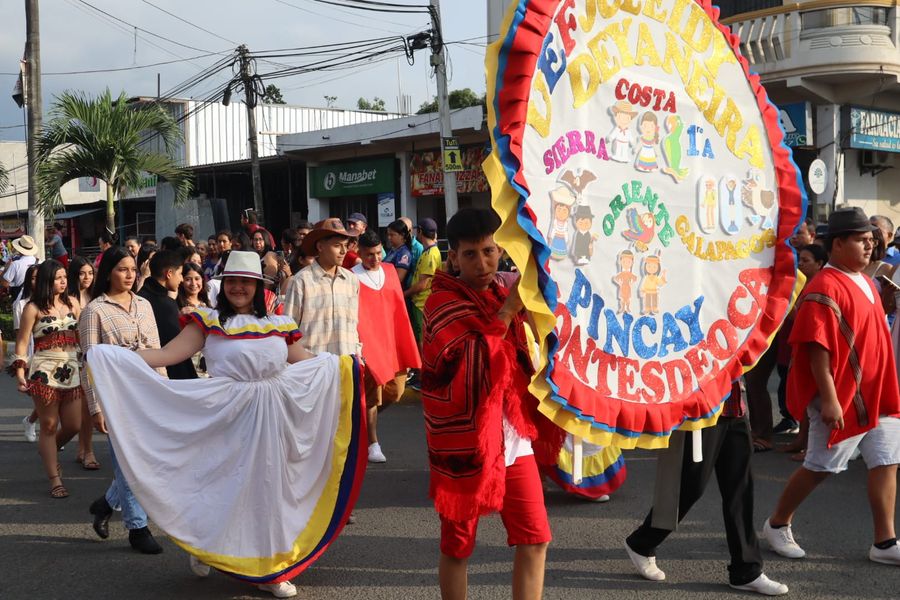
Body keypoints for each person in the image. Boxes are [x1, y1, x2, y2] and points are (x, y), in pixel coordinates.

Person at [82, 251, 366, 598]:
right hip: (225, 418)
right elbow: (167, 355)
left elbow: (306, 362)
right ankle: (207, 546)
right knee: (222, 488)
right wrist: (111, 357)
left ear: (258, 286)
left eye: (246, 282)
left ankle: (269, 569)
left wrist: (346, 366)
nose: (238, 288)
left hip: (272, 419)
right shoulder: (208, 321)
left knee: (267, 490)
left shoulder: (278, 324)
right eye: (232, 281)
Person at [423, 208, 560, 600]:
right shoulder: (441, 303)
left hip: (514, 439)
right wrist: (510, 310)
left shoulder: (505, 291)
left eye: (489, 251)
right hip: (463, 443)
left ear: (501, 250)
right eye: (470, 254)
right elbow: (471, 358)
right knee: (457, 547)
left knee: (535, 537)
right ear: (453, 257)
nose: (482, 263)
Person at [762, 207, 900, 566]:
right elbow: (815, 348)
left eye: (870, 240)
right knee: (820, 466)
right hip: (842, 395)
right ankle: (777, 524)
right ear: (838, 244)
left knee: (886, 461)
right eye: (861, 240)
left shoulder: (866, 281)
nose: (869, 246)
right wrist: (829, 398)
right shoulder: (824, 285)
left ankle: (884, 542)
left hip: (877, 391)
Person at [624, 381, 789, 595]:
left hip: (733, 405)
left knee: (739, 489)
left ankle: (746, 570)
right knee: (690, 485)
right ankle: (642, 542)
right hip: (700, 405)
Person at [80, 246, 166, 555]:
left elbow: (157, 351)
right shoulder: (95, 310)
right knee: (127, 461)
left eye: (132, 269)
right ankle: (137, 528)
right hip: (115, 394)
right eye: (121, 269)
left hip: (148, 390)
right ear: (108, 273)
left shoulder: (144, 304)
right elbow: (88, 362)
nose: (129, 275)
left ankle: (106, 504)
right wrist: (96, 406)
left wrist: (165, 390)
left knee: (148, 459)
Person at [12, 259, 84, 499]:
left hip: (72, 369)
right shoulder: (32, 308)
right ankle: (55, 478)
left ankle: (48, 450)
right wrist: (20, 372)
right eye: (58, 278)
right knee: (49, 425)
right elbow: (22, 342)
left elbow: (82, 336)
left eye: (65, 277)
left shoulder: (73, 303)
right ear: (46, 280)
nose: (63, 282)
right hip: (43, 370)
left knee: (73, 425)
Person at [352, 230, 421, 463]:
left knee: (395, 393)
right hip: (368, 345)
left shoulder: (390, 271)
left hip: (392, 343)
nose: (375, 258)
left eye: (378, 253)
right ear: (360, 252)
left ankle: (358, 421)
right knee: (372, 398)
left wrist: (405, 341)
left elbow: (398, 309)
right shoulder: (351, 277)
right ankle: (373, 443)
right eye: (369, 254)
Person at [283, 218, 360, 357]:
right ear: (320, 246)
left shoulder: (351, 280)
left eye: (345, 245)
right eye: (337, 245)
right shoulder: (301, 281)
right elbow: (288, 330)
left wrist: (357, 354)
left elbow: (353, 324)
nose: (343, 251)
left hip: (346, 362)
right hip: (312, 364)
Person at [137, 250, 197, 381]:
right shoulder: (165, 304)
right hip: (167, 374)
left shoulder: (139, 297)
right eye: (180, 274)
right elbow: (176, 349)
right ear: (169, 274)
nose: (181, 279)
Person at [67, 256, 100, 470]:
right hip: (71, 356)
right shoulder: (67, 299)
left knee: (89, 406)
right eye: (82, 273)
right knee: (77, 409)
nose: (87, 277)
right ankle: (81, 448)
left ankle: (87, 450)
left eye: (90, 273)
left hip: (92, 356)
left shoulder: (97, 297)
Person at [13, 264, 40, 443]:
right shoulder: (21, 305)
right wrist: (21, 366)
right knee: (42, 398)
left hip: (52, 357)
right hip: (31, 357)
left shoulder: (55, 302)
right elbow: (20, 338)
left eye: (40, 277)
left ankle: (44, 429)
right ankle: (32, 421)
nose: (37, 281)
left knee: (50, 398)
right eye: (33, 278)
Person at [2, 235, 39, 300]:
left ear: (19, 249)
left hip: (20, 298)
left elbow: (5, 284)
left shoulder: (16, 264)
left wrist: (6, 268)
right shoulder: (39, 261)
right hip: (35, 297)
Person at [385, 219, 416, 289]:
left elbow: (399, 278)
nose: (389, 238)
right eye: (388, 235)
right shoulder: (393, 250)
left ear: (402, 235)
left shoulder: (404, 253)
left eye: (392, 235)